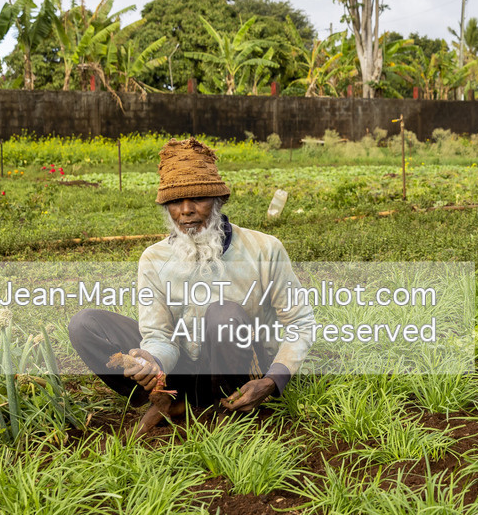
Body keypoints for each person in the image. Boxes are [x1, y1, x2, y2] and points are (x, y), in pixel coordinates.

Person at [67, 137, 315, 437]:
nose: (186, 211)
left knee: (224, 315)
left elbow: (301, 323)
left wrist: (273, 380)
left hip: (239, 371)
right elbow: (160, 336)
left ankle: (228, 409)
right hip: (180, 373)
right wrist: (151, 360)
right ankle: (171, 400)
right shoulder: (154, 259)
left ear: (218, 200)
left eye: (198, 198)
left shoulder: (264, 249)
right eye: (175, 202)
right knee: (85, 325)